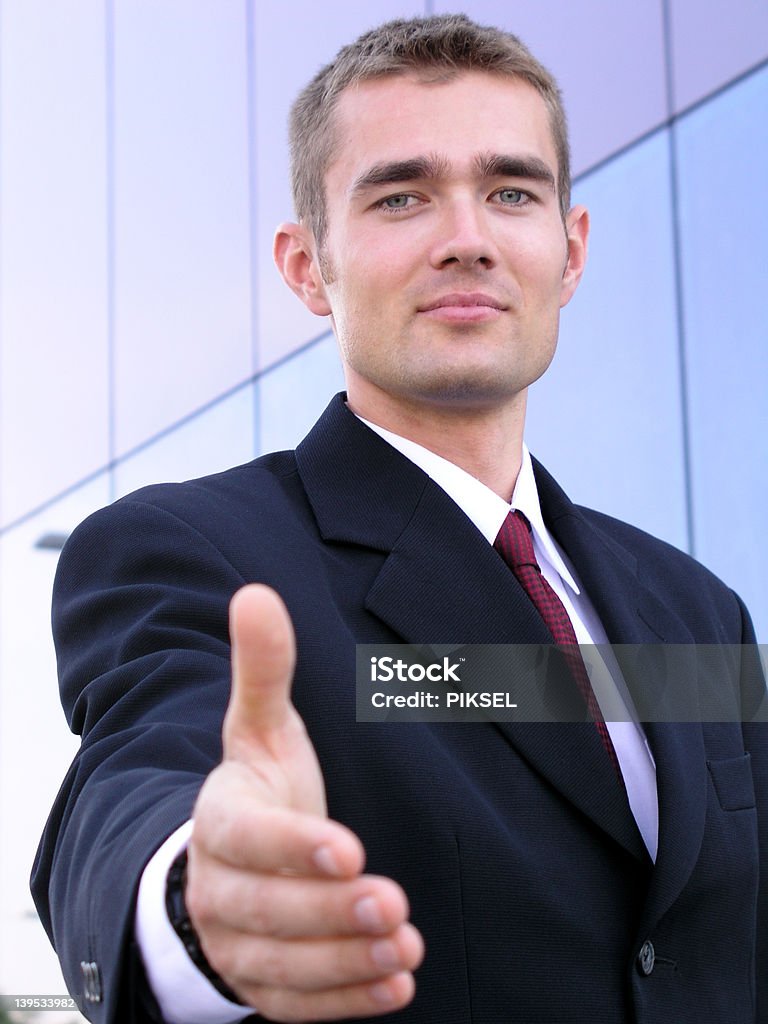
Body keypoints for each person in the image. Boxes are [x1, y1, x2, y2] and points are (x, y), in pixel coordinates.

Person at [32, 13, 767, 1024]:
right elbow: (139, 780)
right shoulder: (198, 556)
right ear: (306, 268)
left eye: (511, 191)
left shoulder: (697, 610)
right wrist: (201, 901)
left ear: (571, 251)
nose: (466, 239)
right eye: (401, 196)